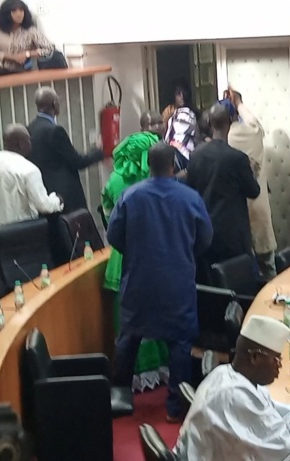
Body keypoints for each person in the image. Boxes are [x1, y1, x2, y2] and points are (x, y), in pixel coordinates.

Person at [107, 143, 213, 422]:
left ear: (149, 165)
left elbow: (114, 236)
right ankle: (175, 408)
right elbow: (205, 239)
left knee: (128, 339)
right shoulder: (190, 198)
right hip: (177, 282)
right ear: (173, 165)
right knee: (179, 344)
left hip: (139, 281)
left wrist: (135, 252)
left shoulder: (130, 196)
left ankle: (119, 398)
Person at [173, 315, 290, 460]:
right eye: (276, 359)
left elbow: (265, 408)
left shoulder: (226, 374)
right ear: (255, 358)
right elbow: (289, 452)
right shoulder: (234, 395)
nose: (279, 366)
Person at [101, 111, 169, 390]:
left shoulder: (117, 180)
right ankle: (161, 369)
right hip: (155, 259)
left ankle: (133, 376)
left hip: (122, 260)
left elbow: (108, 217)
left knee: (128, 323)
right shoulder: (157, 180)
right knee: (159, 315)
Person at [187, 103, 260, 283]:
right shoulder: (237, 158)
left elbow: (190, 192)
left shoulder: (195, 156)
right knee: (239, 288)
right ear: (229, 123)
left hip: (205, 234)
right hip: (233, 237)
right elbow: (254, 191)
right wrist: (254, 173)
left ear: (210, 124)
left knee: (211, 289)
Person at [0, 123, 63, 230]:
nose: (31, 144)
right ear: (21, 144)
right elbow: (44, 206)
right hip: (19, 237)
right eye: (29, 140)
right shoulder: (29, 169)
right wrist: (57, 201)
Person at [226, 89, 278, 279]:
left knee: (244, 274)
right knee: (269, 267)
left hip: (237, 217)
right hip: (259, 209)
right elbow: (254, 122)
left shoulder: (225, 140)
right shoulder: (253, 133)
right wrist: (239, 102)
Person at [27, 86, 104, 213]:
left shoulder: (29, 129)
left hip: (44, 195)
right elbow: (77, 161)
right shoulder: (55, 131)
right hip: (65, 196)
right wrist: (98, 150)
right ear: (54, 103)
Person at [0, 0, 54, 73]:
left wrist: (28, 54)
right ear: (6, 13)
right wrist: (13, 58)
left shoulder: (30, 30)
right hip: (2, 71)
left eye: (21, 10)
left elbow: (49, 49)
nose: (19, 14)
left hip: (27, 72)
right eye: (14, 11)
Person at [164, 83, 199, 174]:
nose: (182, 97)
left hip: (185, 154)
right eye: (178, 94)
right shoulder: (171, 112)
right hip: (175, 154)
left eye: (184, 93)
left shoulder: (189, 114)